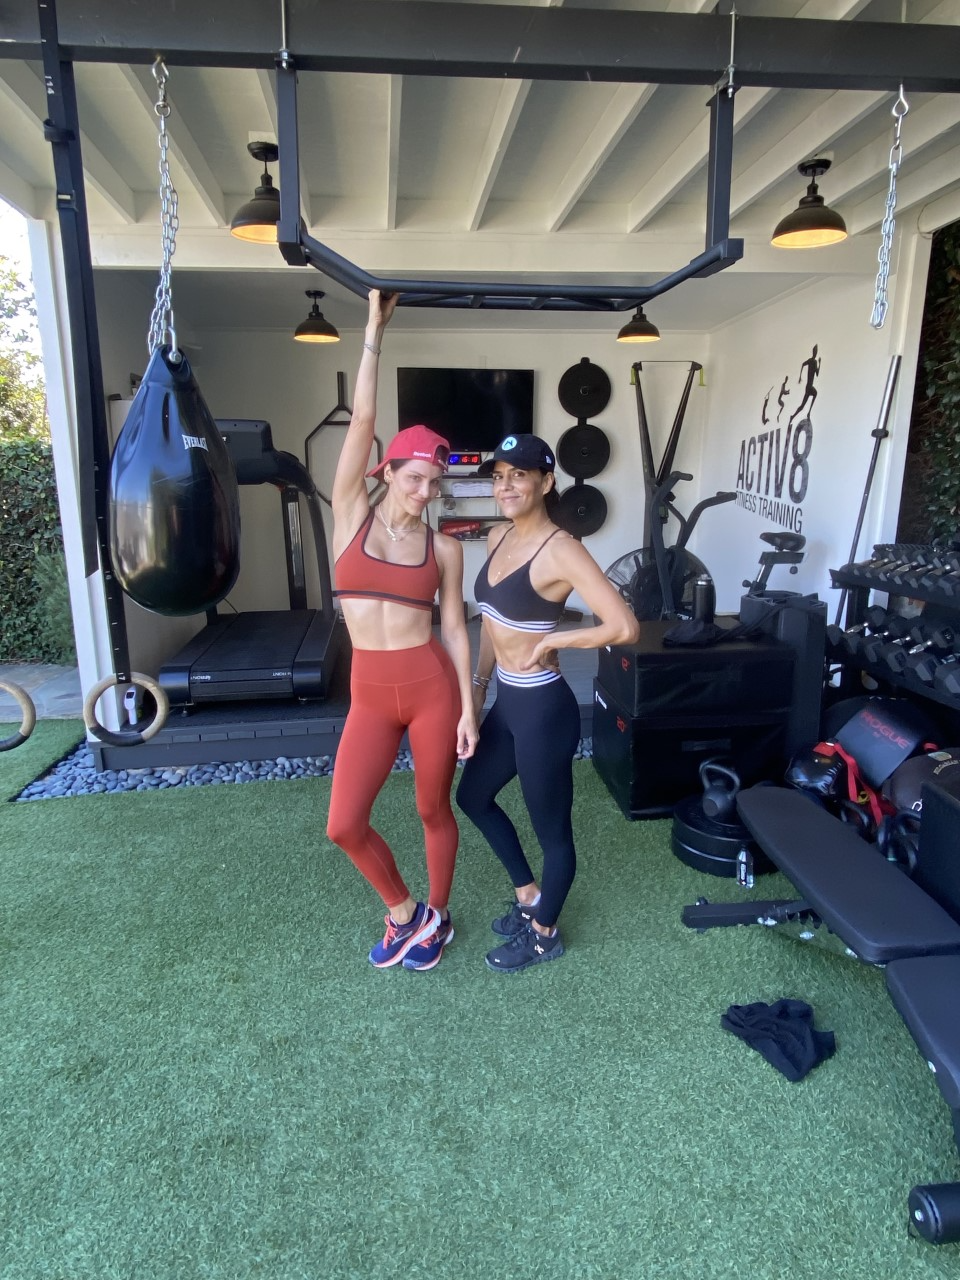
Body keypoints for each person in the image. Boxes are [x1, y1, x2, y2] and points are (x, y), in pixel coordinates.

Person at [326, 289, 478, 972]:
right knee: (344, 825)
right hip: (369, 688)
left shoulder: (445, 547)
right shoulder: (350, 513)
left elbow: (454, 627)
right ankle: (402, 912)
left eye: (433, 483)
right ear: (388, 471)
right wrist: (372, 331)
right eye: (416, 479)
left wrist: (470, 706)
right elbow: (362, 416)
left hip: (429, 686)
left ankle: (437, 919)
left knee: (431, 809)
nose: (425, 492)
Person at [456, 434, 641, 973]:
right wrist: (476, 688)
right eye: (498, 476)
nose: (506, 485)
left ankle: (544, 933)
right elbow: (490, 626)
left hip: (544, 709)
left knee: (553, 831)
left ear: (546, 482)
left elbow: (624, 625)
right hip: (507, 703)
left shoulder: (562, 548)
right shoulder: (496, 538)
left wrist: (555, 640)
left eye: (518, 474)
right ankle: (528, 895)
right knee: (473, 796)